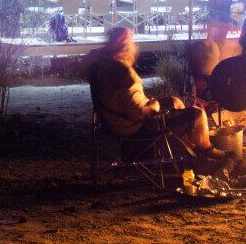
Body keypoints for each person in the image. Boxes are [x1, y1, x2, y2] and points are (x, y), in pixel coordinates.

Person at [88, 26, 213, 158]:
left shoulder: (102, 66)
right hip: (135, 130)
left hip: (113, 123)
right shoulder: (124, 74)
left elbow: (126, 101)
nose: (135, 47)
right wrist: (154, 105)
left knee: (175, 101)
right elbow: (139, 113)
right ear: (124, 48)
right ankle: (207, 152)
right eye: (132, 43)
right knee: (197, 114)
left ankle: (187, 148)